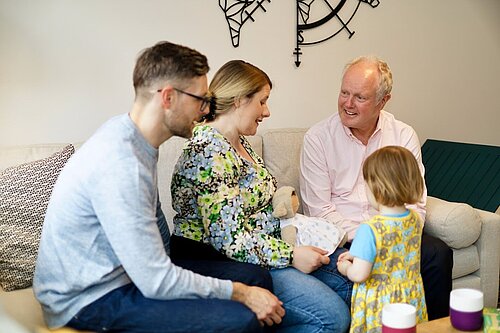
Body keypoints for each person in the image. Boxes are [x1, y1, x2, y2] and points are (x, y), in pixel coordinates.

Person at [33, 41, 285, 333]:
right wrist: (240, 293)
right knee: (241, 318)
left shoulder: (137, 139)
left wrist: (234, 283)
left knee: (256, 277)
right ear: (168, 97)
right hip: (88, 298)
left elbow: (157, 240)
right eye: (200, 99)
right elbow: (155, 280)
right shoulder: (120, 163)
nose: (206, 110)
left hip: (128, 273)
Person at [170, 60, 352, 333]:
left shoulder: (238, 142)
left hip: (266, 246)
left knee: (354, 287)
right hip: (227, 260)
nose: (267, 112)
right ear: (240, 100)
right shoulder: (209, 150)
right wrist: (291, 255)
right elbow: (228, 239)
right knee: (331, 318)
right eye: (262, 102)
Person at [299, 55, 453, 320]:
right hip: (342, 239)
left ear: (383, 101)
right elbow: (319, 208)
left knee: (438, 253)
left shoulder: (402, 134)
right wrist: (369, 238)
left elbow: (415, 200)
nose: (347, 104)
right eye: (344, 93)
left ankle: (435, 327)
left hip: (395, 233)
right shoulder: (318, 138)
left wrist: (394, 235)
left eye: (360, 97)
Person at [337, 146, 428, 332]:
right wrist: (355, 254)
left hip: (381, 305)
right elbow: (393, 251)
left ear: (377, 187)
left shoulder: (369, 229)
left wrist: (345, 267)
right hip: (410, 297)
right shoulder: (414, 220)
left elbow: (359, 274)